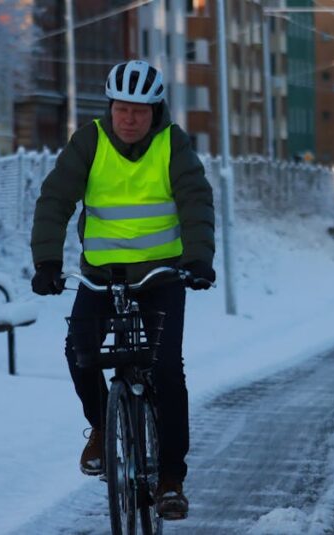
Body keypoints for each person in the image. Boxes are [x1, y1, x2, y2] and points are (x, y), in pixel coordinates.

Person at [29, 59, 215, 520]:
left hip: (162, 277)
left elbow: (195, 201)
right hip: (101, 274)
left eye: (140, 111)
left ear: (156, 111)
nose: (129, 119)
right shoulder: (89, 142)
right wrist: (47, 262)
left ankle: (171, 478)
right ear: (110, 108)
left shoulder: (173, 145)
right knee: (79, 351)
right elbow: (55, 200)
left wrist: (198, 261)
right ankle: (100, 427)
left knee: (166, 369)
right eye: (121, 109)